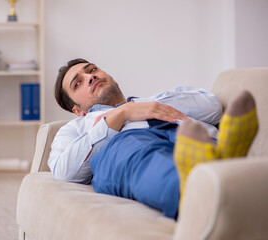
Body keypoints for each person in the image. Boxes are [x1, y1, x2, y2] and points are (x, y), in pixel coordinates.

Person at [48, 58, 259, 218]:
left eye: (92, 70)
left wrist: (144, 106)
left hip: (186, 135)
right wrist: (121, 114)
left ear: (113, 79)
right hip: (126, 145)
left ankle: (221, 157)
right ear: (77, 111)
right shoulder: (75, 128)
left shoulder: (158, 99)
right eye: (78, 83)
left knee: (194, 136)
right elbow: (64, 170)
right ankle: (198, 191)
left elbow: (212, 107)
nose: (90, 77)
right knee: (135, 153)